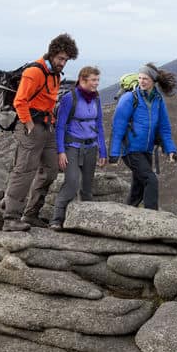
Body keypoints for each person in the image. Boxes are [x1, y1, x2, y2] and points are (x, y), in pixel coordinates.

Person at [2, 33, 78, 232]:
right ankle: (10, 218)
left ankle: (31, 214)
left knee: (51, 170)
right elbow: (20, 101)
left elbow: (49, 101)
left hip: (46, 126)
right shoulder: (35, 72)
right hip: (31, 127)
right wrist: (28, 125)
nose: (63, 63)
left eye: (66, 60)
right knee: (25, 171)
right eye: (61, 58)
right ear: (52, 54)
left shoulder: (54, 74)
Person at [109, 63, 177, 210]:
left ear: (153, 80)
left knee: (138, 187)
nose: (142, 81)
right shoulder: (129, 98)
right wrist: (114, 153)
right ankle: (151, 217)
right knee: (150, 180)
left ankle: (126, 216)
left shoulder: (158, 99)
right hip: (131, 149)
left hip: (146, 150)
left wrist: (170, 149)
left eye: (145, 78)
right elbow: (118, 127)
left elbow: (164, 128)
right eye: (140, 78)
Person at [50, 65, 107, 230]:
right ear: (83, 80)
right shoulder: (70, 98)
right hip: (72, 146)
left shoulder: (96, 98)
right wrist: (60, 152)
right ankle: (56, 220)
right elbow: (60, 127)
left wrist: (103, 151)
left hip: (91, 147)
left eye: (98, 80)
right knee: (72, 183)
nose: (96, 83)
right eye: (93, 80)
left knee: (87, 187)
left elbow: (99, 126)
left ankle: (86, 222)